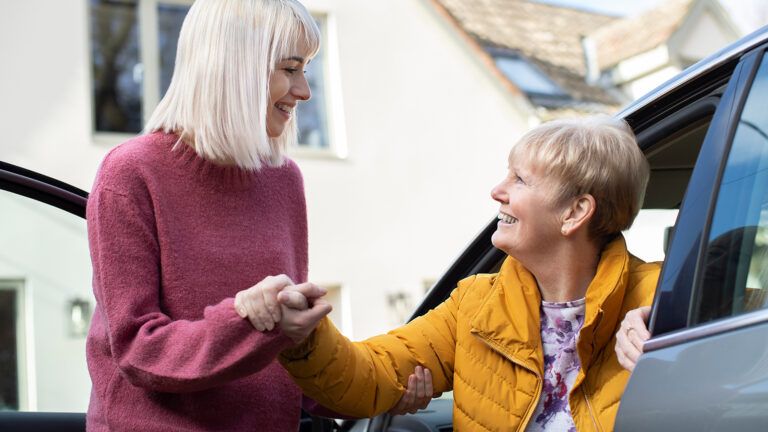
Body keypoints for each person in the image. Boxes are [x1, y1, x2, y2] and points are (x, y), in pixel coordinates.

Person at [84, 1, 425, 430]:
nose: (304, 91)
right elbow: (138, 350)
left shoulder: (284, 180)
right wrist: (250, 322)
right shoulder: (131, 173)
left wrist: (379, 392)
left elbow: (290, 355)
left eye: (306, 71)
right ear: (236, 67)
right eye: (289, 69)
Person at [239, 115, 662, 431]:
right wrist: (303, 335)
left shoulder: (664, 297)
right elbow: (367, 373)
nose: (497, 190)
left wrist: (665, 351)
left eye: (520, 179)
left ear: (574, 212)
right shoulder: (475, 303)